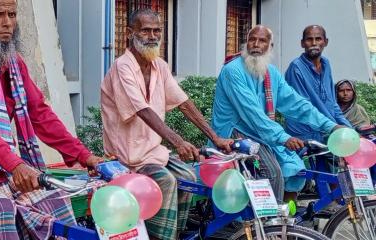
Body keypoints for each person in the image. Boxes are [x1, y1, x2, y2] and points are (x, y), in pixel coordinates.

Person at [100, 9, 233, 240]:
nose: (152, 36)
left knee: (189, 177)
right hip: (127, 157)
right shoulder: (122, 66)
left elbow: (184, 103)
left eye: (157, 30)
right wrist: (179, 141)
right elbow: (143, 110)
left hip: (153, 153)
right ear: (130, 33)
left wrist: (216, 138)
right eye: (145, 30)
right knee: (167, 181)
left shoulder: (159, 65)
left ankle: (175, 233)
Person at [0, 0, 104, 239]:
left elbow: (40, 113)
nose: (7, 23)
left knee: (54, 201)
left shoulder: (14, 63)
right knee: (0, 208)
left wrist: (84, 155)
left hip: (5, 161)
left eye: (12, 14)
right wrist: (16, 165)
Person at [211, 25, 340, 202]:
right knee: (271, 172)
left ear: (270, 47)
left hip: (261, 132)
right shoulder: (232, 71)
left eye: (262, 40)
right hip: (234, 131)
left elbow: (297, 103)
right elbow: (252, 114)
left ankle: (285, 216)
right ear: (245, 43)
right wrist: (283, 138)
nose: (256, 44)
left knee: (296, 168)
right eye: (252, 39)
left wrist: (331, 126)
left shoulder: (271, 73)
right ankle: (269, 224)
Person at [285, 25, 352, 143]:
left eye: (318, 39)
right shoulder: (296, 68)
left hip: (327, 130)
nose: (314, 43)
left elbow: (332, 103)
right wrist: (333, 127)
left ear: (326, 42)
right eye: (309, 39)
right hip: (305, 136)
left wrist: (350, 129)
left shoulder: (326, 64)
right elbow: (303, 108)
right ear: (302, 43)